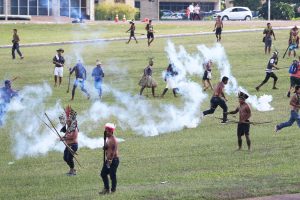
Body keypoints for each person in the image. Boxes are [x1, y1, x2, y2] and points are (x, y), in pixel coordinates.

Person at [99, 123, 119, 194]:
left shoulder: (113, 140)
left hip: (113, 160)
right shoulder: (108, 138)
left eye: (107, 131)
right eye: (105, 130)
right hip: (108, 160)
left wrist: (111, 159)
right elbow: (108, 147)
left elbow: (114, 150)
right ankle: (106, 189)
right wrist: (105, 147)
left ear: (111, 132)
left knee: (112, 175)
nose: (105, 132)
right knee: (103, 174)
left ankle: (113, 190)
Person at [59, 106, 78, 176]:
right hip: (68, 145)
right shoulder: (68, 128)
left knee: (69, 158)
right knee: (65, 158)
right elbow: (66, 135)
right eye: (67, 120)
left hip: (73, 145)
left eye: (68, 120)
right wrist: (63, 137)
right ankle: (72, 169)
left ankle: (73, 171)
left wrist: (64, 138)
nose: (67, 121)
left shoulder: (74, 128)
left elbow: (72, 136)